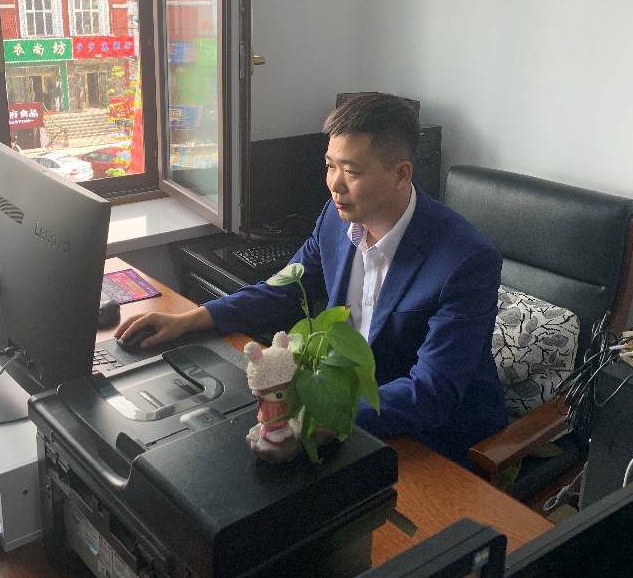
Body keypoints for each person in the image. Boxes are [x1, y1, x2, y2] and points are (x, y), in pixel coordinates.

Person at [116, 94, 507, 467]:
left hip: (432, 441)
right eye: (330, 166)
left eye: (351, 171)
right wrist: (193, 319)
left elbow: (432, 392)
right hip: (342, 411)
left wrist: (318, 417)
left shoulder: (466, 260)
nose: (334, 184)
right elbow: (283, 289)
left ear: (401, 174)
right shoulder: (336, 219)